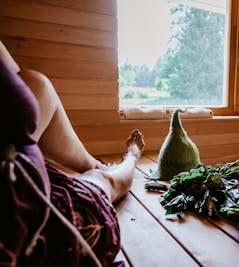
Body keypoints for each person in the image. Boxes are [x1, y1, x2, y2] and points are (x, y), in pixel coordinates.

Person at [0, 41, 144, 266]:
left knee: (36, 83)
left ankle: (94, 164)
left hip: (17, 173)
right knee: (105, 181)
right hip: (33, 221)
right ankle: (130, 157)